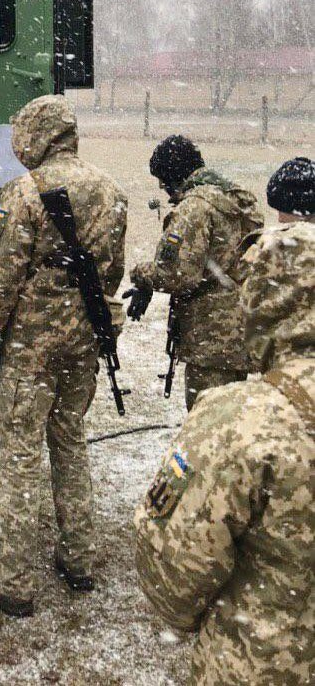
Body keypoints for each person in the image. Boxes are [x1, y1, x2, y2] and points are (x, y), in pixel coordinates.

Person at [133, 156, 313, 686]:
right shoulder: (235, 198)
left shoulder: (237, 421)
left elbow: (175, 576)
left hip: (259, 664)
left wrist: (145, 273)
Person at [0, 95, 127, 616]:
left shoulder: (26, 193)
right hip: (83, 344)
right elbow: (112, 274)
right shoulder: (112, 192)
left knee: (19, 454)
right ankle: (79, 558)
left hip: (33, 348)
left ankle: (14, 580)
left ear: (36, 135)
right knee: (70, 442)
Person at [126, 135, 264, 410]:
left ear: (172, 176)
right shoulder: (235, 198)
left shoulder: (194, 208)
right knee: (231, 422)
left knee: (208, 424)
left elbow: (177, 274)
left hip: (209, 336)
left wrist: (141, 274)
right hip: (241, 329)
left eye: (163, 182)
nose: (164, 190)